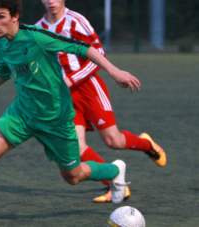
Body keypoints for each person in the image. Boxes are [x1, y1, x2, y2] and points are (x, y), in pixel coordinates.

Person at [0, 0, 140, 222]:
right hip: (22, 114)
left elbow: (83, 47)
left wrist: (114, 71)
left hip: (56, 120)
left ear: (15, 16)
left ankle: (114, 171)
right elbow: (1, 74)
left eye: (1, 16)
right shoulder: (4, 43)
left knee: (74, 176)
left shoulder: (37, 36)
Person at [34, 0, 166, 203]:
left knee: (114, 141)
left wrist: (70, 79)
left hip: (89, 88)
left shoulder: (77, 21)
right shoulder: (37, 28)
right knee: (77, 148)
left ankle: (146, 144)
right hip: (65, 96)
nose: (51, 1)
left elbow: (99, 54)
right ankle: (115, 184)